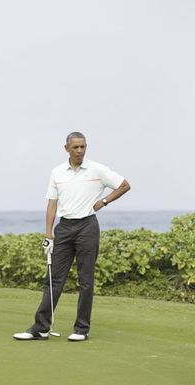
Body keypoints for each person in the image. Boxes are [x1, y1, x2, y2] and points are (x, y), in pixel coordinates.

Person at [13, 132, 130, 342]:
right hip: (64, 228)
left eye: (83, 147)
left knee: (85, 280)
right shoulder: (57, 172)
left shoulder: (97, 169)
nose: (79, 151)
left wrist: (103, 202)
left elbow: (124, 185)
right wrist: (48, 235)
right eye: (75, 147)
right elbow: (51, 204)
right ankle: (40, 328)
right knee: (53, 279)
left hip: (87, 226)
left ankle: (81, 329)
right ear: (66, 148)